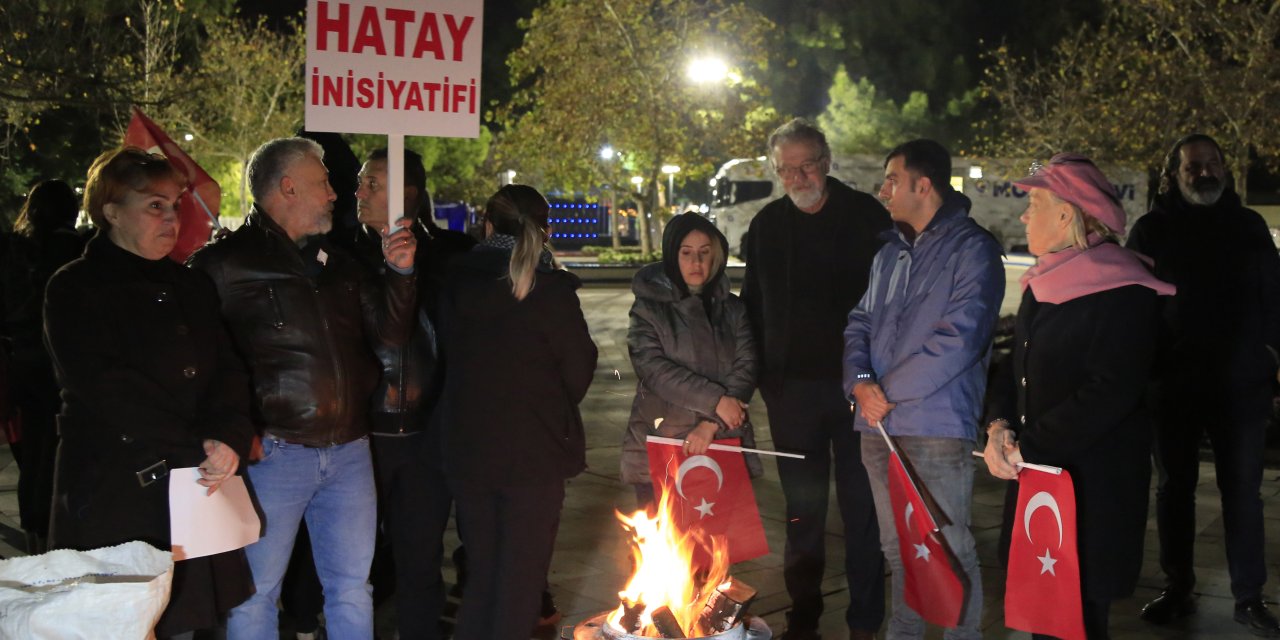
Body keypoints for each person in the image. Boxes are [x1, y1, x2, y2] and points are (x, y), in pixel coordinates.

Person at [188, 137, 418, 640]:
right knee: (255, 594)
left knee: (353, 587)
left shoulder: (337, 261)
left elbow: (388, 336)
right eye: (324, 182)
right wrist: (220, 431)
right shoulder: (223, 264)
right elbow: (195, 362)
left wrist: (400, 274)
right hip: (272, 454)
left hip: (351, 450)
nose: (336, 193)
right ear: (287, 187)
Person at [42, 148, 255, 638]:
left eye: (175, 205)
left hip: (189, 485)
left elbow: (227, 367)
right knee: (120, 620)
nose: (171, 218)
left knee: (188, 618)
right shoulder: (75, 287)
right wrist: (197, 443)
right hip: (116, 491)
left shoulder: (190, 284)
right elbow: (106, 386)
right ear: (111, 211)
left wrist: (228, 434)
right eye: (155, 205)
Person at [982, 153, 1173, 638]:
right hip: (1040, 480)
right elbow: (1013, 370)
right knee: (1044, 614)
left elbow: (1111, 390)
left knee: (1079, 622)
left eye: (1036, 203)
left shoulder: (1124, 289)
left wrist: (1030, 447)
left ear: (1066, 214)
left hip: (1092, 493)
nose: (1025, 215)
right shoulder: (1043, 283)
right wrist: (999, 427)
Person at [844, 139, 1004, 639]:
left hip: (935, 427)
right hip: (877, 427)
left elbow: (960, 339)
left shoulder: (973, 250)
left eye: (892, 179)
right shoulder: (888, 253)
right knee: (899, 550)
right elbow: (859, 323)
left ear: (924, 184)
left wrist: (882, 390)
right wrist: (859, 382)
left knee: (951, 548)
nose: (883, 190)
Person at [740, 118, 891, 639]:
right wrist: (764, 379)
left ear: (826, 161)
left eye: (806, 165)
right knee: (803, 514)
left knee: (862, 512)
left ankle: (865, 622)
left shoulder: (867, 217)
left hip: (859, 391)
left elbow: (893, 305)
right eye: (786, 168)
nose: (797, 176)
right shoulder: (766, 227)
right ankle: (802, 619)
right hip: (793, 397)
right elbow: (752, 309)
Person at [1127, 134, 1280, 636]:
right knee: (1175, 490)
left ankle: (1249, 597)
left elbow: (1274, 300)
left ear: (1226, 170)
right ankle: (1178, 588)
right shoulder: (1152, 231)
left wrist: (1271, 357)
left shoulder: (1250, 227)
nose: (1206, 173)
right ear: (1176, 173)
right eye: (1195, 166)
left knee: (1243, 494)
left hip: (1241, 386)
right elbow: (1135, 307)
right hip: (1174, 387)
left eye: (1213, 164)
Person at [439, 184, 597, 640]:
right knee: (521, 583)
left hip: (469, 452)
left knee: (482, 577)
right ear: (545, 232)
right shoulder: (550, 290)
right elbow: (579, 368)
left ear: (487, 226)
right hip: (534, 453)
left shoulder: (454, 281)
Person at [352, 147, 474, 640]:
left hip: (427, 435)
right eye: (361, 183)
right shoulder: (340, 255)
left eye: (373, 184)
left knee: (420, 558)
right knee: (352, 564)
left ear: (409, 193)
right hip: (359, 434)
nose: (360, 192)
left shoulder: (452, 256)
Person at [621, 211, 760, 504]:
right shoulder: (648, 309)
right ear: (673, 256)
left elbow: (746, 366)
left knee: (721, 546)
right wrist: (716, 401)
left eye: (704, 253)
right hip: (664, 441)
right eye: (686, 253)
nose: (696, 262)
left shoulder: (733, 310)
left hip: (723, 440)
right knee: (666, 543)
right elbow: (654, 369)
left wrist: (711, 423)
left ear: (716, 257)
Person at [0, 179, 85, 553]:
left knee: (31, 452)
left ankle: (34, 533)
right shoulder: (77, 250)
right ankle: (48, 534)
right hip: (60, 364)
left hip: (19, 360)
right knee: (54, 453)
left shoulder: (14, 250)